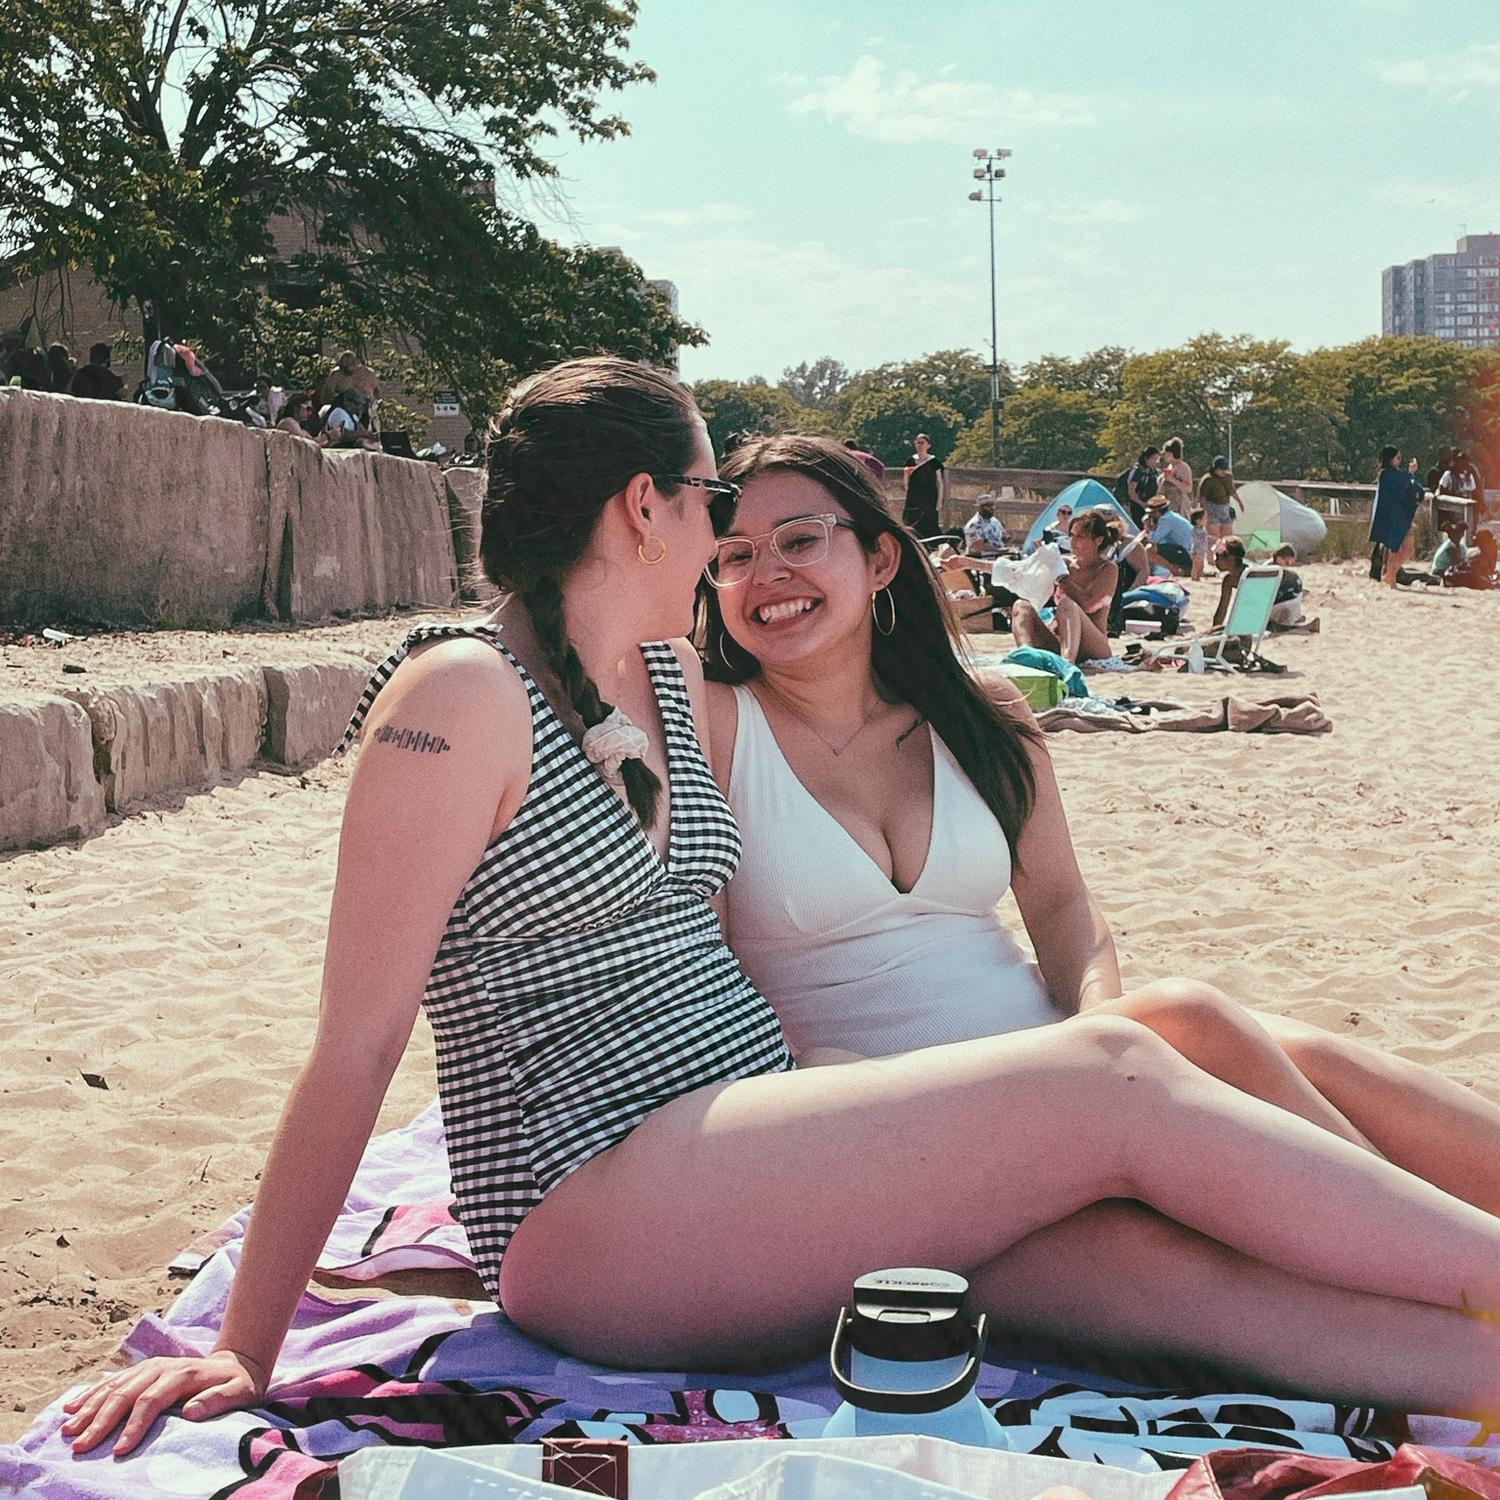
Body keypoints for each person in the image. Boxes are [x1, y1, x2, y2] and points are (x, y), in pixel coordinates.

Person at [63, 379, 1500, 1460]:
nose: (723, 527)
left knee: (1127, 1267)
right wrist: (246, 1346)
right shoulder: (459, 698)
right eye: (705, 498)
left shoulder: (668, 694)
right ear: (642, 506)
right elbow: (358, 1039)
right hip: (591, 1199)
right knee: (1113, 1073)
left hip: (748, 1149)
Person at [699, 432, 1500, 1367]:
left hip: (1065, 1062)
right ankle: (1424, 1263)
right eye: (735, 555)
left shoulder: (981, 709)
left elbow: (1067, 913)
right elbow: (697, 973)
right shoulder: (711, 727)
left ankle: (1413, 1238)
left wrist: (1101, 1032)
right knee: (1179, 1159)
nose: (767, 575)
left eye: (800, 540)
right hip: (888, 1124)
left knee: (1254, 1041)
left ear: (880, 558)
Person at [1010, 507, 1122, 664]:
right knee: (1021, 606)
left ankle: (1066, 663)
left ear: (1098, 540)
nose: (1073, 542)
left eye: (1080, 537)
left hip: (1092, 644)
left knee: (1067, 604)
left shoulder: (1107, 569)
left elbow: (1088, 604)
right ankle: (1027, 656)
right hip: (1058, 639)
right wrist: (969, 562)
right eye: (1072, 536)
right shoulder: (1065, 563)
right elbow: (1019, 570)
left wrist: (1062, 577)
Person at [1371, 444, 1423, 588]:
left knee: (1407, 548)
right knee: (1395, 549)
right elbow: (1405, 482)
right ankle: (1390, 577)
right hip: (1392, 518)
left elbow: (1409, 485)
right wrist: (1411, 473)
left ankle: (1389, 574)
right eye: (1397, 458)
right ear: (1390, 459)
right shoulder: (1386, 475)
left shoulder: (1396, 474)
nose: (1399, 460)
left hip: (1401, 517)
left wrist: (1411, 475)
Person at [316, 349, 380, 424]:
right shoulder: (336, 375)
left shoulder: (368, 373)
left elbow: (377, 392)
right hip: (343, 410)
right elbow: (326, 397)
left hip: (365, 411)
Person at [902, 432, 945, 538]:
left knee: (929, 523)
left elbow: (939, 482)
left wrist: (939, 501)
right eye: (917, 443)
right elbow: (906, 483)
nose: (919, 445)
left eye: (922, 442)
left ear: (928, 445)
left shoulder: (934, 461)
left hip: (929, 497)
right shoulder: (911, 460)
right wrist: (906, 474)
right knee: (912, 523)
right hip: (914, 497)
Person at [1140, 495, 1194, 576]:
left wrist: (1148, 526)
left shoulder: (1166, 520)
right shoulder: (1170, 516)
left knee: (1149, 549)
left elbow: (1154, 540)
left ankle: (1173, 570)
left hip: (1186, 552)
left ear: (1157, 512)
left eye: (1151, 513)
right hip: (1184, 550)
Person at [1197, 456, 1239, 543]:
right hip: (1212, 508)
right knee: (1214, 538)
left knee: (1228, 538)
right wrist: (1205, 512)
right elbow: (1203, 497)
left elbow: (1232, 491)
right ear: (1214, 469)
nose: (1223, 471)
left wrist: (1240, 503)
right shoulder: (1208, 480)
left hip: (1225, 508)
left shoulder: (1228, 477)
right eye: (1221, 469)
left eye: (1225, 469)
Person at [1124, 446, 1162, 522]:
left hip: (1152, 506)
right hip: (1138, 507)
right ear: (1146, 458)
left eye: (1157, 459)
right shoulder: (1137, 471)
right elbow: (1131, 492)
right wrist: (1143, 504)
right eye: (1153, 458)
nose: (1156, 461)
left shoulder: (1154, 471)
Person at [1159, 438, 1193, 516]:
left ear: (1171, 453)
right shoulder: (1170, 466)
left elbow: (1188, 488)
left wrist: (1172, 479)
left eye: (1165, 453)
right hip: (1168, 505)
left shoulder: (1183, 467)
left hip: (1179, 506)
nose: (1164, 456)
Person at [1189, 507, 1211, 582]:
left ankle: (1198, 577)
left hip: (1202, 550)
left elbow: (1206, 537)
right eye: (1204, 519)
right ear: (1198, 521)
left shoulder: (1203, 529)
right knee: (1196, 565)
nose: (1206, 520)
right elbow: (1194, 540)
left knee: (1201, 565)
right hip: (1196, 550)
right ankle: (1194, 577)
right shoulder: (1194, 530)